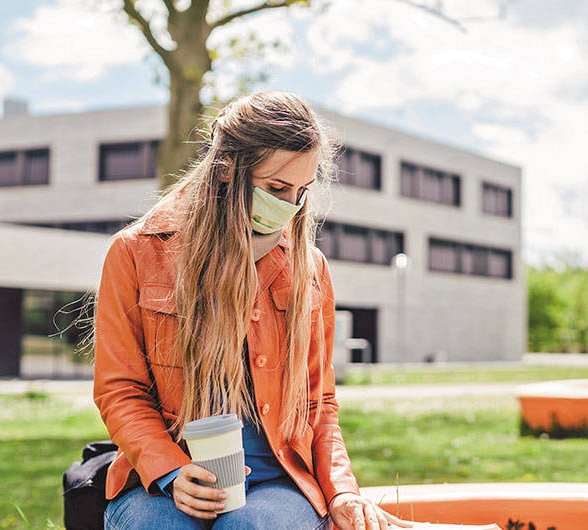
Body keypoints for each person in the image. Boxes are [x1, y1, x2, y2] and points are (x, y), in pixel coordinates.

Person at [93, 91, 409, 529]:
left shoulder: (309, 266)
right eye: (276, 188)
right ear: (225, 171)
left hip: (276, 482)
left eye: (301, 191)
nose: (289, 207)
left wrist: (342, 489)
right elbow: (121, 390)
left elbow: (319, 401)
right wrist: (170, 471)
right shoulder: (136, 252)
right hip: (161, 479)